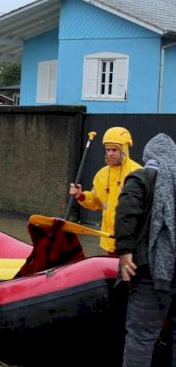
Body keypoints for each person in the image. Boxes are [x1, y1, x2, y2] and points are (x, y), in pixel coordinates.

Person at [115, 133, 176, 367]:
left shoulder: (142, 178)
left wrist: (125, 250)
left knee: (141, 336)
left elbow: (127, 212)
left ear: (148, 156)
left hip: (154, 272)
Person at [69, 126, 142, 254]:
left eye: (114, 150)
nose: (109, 153)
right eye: (107, 149)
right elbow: (96, 201)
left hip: (131, 243)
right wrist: (81, 196)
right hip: (108, 241)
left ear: (124, 150)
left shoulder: (138, 173)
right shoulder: (101, 175)